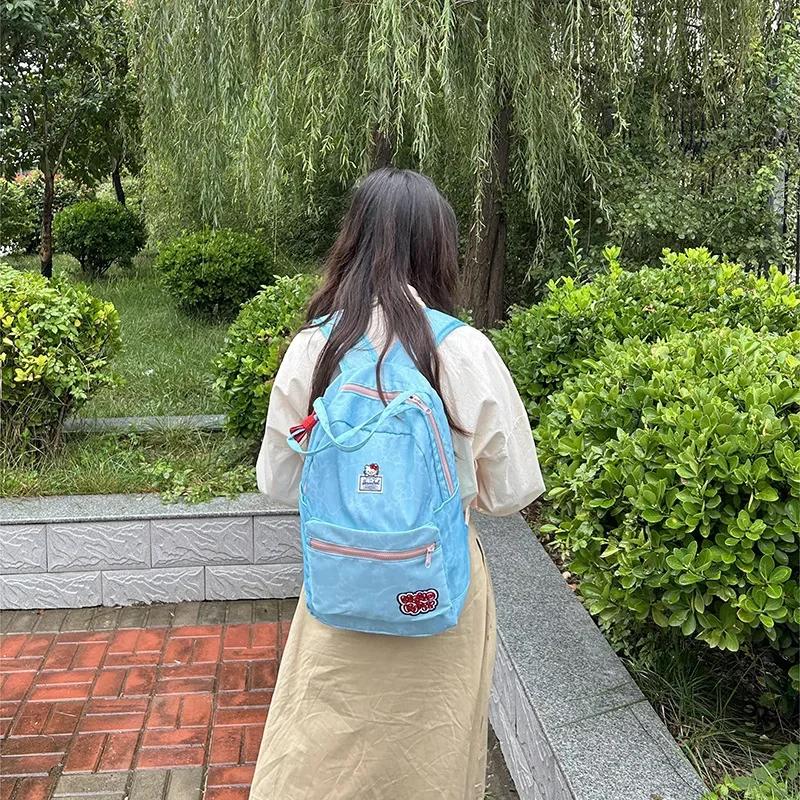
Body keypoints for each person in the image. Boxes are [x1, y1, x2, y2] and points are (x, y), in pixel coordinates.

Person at [249, 168, 544, 800]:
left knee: (321, 753)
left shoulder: (314, 350)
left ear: (350, 240)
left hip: (341, 585)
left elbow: (276, 480)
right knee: (430, 758)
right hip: (436, 589)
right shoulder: (463, 351)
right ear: (438, 246)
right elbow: (512, 490)